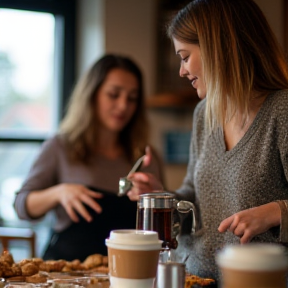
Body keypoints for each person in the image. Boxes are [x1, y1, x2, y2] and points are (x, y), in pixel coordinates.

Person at [126, 0, 288, 282]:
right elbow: (194, 201)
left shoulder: (281, 111)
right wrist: (162, 197)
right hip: (192, 278)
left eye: (185, 57)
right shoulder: (205, 113)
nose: (181, 71)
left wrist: (278, 211)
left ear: (219, 48)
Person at [14, 54, 164, 261]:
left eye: (132, 98)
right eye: (113, 94)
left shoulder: (146, 157)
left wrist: (157, 195)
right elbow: (21, 205)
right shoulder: (60, 147)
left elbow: (165, 226)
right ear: (92, 95)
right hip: (66, 274)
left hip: (129, 273)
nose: (123, 106)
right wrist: (58, 193)